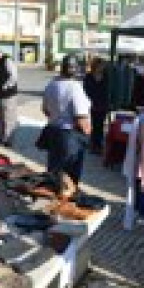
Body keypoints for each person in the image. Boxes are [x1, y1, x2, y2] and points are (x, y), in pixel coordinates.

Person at [42, 54, 91, 192]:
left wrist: (58, 117)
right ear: (75, 69)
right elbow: (80, 116)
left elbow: (45, 110)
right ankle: (64, 207)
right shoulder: (75, 87)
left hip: (53, 133)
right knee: (68, 181)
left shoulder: (51, 84)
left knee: (54, 176)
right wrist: (88, 133)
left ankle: (52, 206)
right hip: (70, 137)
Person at [83, 57, 108, 155]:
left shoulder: (106, 76)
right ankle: (93, 145)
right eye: (100, 65)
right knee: (93, 125)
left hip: (103, 104)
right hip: (92, 104)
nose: (102, 67)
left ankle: (99, 145)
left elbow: (108, 90)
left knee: (100, 125)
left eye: (103, 66)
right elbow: (85, 90)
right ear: (95, 66)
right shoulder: (88, 76)